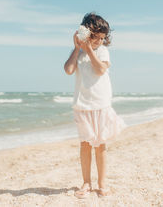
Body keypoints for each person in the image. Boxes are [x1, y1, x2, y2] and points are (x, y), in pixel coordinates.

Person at [64, 12, 126, 198]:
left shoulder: (102, 51)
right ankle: (86, 183)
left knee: (100, 145)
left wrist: (90, 49)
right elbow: (68, 70)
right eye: (95, 37)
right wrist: (77, 48)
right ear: (86, 32)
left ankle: (102, 183)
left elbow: (100, 70)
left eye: (102, 38)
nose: (98, 41)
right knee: (85, 144)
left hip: (101, 105)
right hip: (82, 105)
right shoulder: (78, 52)